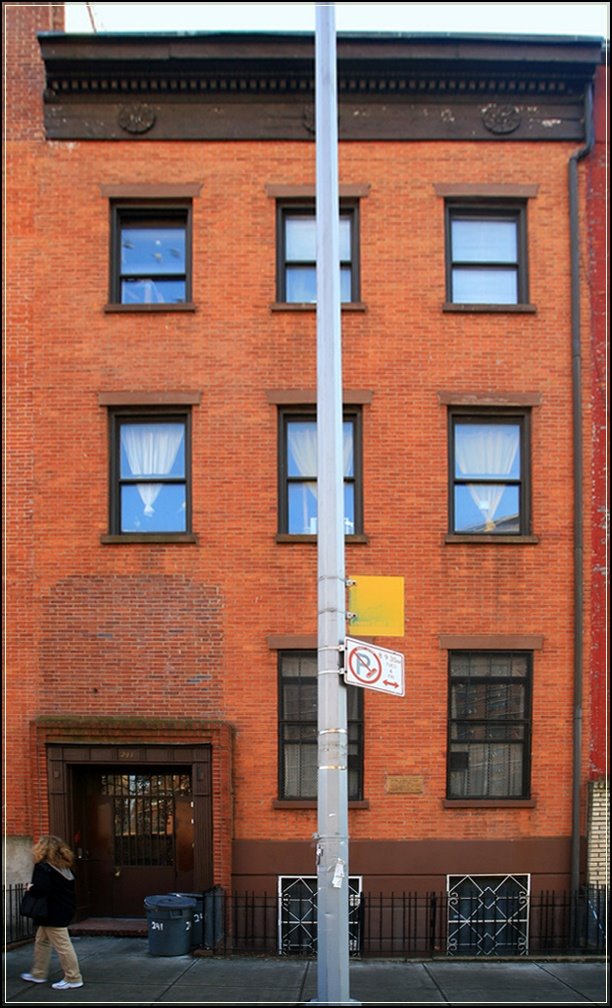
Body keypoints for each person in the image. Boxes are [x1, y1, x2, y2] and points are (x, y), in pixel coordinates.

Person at [20, 834, 84, 990]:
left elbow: (43, 888)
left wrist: (30, 888)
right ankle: (38, 973)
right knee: (42, 941)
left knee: (63, 945)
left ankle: (73, 977)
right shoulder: (64, 866)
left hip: (51, 911)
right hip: (64, 908)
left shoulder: (43, 867)